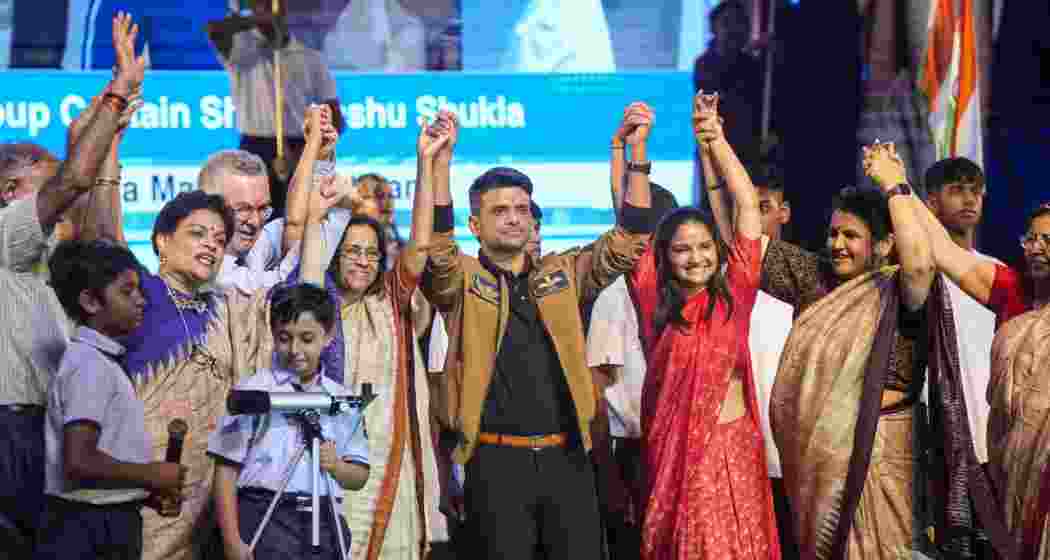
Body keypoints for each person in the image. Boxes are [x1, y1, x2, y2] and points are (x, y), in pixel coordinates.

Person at [422, 99, 653, 558]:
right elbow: (439, 251)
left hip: (568, 458)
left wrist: (637, 153)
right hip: (494, 463)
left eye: (522, 209)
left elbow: (630, 240)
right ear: (475, 224)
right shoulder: (465, 279)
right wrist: (441, 164)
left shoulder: (562, 273)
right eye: (500, 210)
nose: (514, 217)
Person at [768, 142, 1011, 559]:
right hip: (818, 456)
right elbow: (745, 244)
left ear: (883, 244)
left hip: (884, 450)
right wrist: (713, 142)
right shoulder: (816, 280)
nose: (838, 244)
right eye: (833, 234)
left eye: (851, 236)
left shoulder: (901, 288)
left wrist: (894, 185)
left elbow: (920, 263)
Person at [0, 12, 143, 555]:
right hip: (12, 432)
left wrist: (107, 138)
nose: (60, 203)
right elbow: (74, 180)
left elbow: (104, 243)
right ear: (10, 191)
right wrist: (117, 91)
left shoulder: (48, 255)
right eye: (45, 188)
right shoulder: (5, 235)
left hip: (55, 431)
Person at [626, 95, 778, 560]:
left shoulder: (733, 298)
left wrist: (716, 138)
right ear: (664, 258)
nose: (696, 258)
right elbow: (633, 225)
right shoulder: (656, 303)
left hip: (736, 451)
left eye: (705, 247)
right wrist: (636, 150)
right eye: (682, 249)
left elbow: (747, 205)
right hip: (679, 459)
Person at [298, 111, 450, 559]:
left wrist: (426, 162)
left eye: (371, 253)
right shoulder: (317, 303)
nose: (363, 261)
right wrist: (320, 156)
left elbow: (419, 246)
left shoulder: (389, 300)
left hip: (390, 463)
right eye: (352, 251)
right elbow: (308, 230)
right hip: (328, 463)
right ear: (334, 255)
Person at [36, 240, 186, 560]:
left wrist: (144, 493)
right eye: (126, 291)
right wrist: (151, 474)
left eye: (139, 290)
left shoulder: (102, 361)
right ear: (91, 301)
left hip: (103, 519)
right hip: (85, 527)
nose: (141, 300)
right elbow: (79, 461)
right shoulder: (88, 364)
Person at [209, 283, 369, 560]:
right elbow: (225, 470)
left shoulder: (341, 400)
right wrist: (231, 540)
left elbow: (359, 477)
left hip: (325, 519)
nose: (295, 349)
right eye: (284, 338)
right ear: (273, 333)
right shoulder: (252, 392)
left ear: (328, 336)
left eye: (307, 339)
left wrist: (336, 466)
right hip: (263, 516)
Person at [928, 200, 1050, 554]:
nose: (1036, 248)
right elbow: (943, 251)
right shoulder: (1013, 291)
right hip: (1012, 471)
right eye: (1031, 239)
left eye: (1047, 240)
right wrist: (896, 187)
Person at [207, 0, 345, 217]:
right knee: (252, 214)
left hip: (299, 145)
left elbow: (336, 119)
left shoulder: (311, 58)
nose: (264, 6)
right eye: (258, 3)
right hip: (255, 144)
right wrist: (257, 20)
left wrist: (305, 152)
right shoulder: (241, 50)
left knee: (299, 215)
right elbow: (214, 29)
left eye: (270, 3)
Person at [213, 105, 344, 295]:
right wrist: (313, 146)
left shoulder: (252, 243)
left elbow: (295, 224)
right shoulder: (218, 274)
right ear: (212, 208)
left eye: (262, 209)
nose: (255, 221)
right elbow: (288, 278)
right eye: (243, 209)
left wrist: (320, 155)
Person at [924, 157, 999, 467]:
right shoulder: (917, 272)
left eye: (976, 191)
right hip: (934, 437)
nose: (969, 199)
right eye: (957, 190)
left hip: (991, 435)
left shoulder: (996, 273)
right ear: (931, 202)